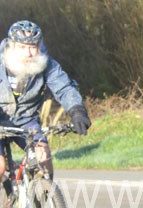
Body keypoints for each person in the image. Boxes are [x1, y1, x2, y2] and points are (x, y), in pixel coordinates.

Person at [0, 20, 92, 179]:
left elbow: (64, 88)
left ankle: (45, 192)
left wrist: (77, 111)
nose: (28, 53)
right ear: (12, 46)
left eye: (33, 47)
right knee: (0, 166)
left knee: (43, 157)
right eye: (22, 47)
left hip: (27, 120)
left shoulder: (47, 64)